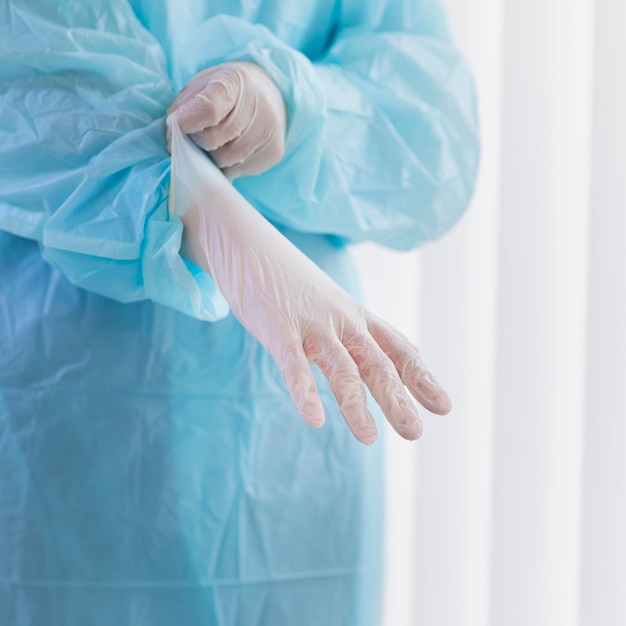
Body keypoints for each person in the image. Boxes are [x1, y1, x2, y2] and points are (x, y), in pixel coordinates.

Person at [0, 0, 479, 624]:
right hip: (65, 411)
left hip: (291, 417)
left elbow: (428, 129)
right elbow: (27, 67)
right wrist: (195, 202)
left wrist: (293, 103)